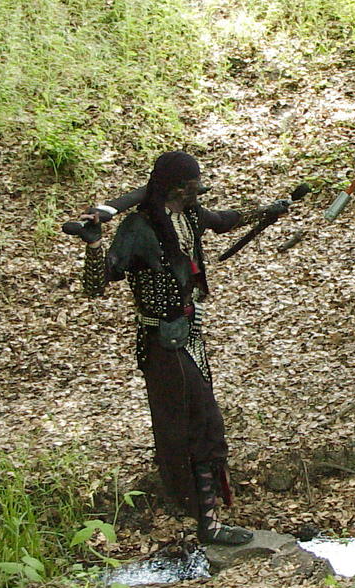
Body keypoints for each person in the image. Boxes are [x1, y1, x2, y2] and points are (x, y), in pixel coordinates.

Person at [79, 151, 289, 545]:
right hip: (161, 343)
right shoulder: (138, 227)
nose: (200, 190)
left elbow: (223, 220)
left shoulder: (189, 215)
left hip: (190, 334)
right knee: (194, 425)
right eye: (194, 185)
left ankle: (208, 520)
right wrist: (93, 246)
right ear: (177, 189)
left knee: (204, 422)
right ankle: (206, 523)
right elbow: (95, 286)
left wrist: (268, 210)